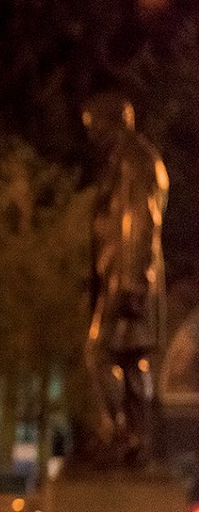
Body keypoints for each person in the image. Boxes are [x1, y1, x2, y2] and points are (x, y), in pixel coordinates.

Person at [80, 92, 169, 468]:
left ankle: (120, 434)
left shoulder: (135, 161)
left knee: (99, 354)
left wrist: (133, 281)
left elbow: (141, 223)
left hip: (128, 278)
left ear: (113, 123)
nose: (92, 136)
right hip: (124, 276)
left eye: (95, 127)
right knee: (131, 360)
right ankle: (132, 438)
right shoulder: (130, 160)